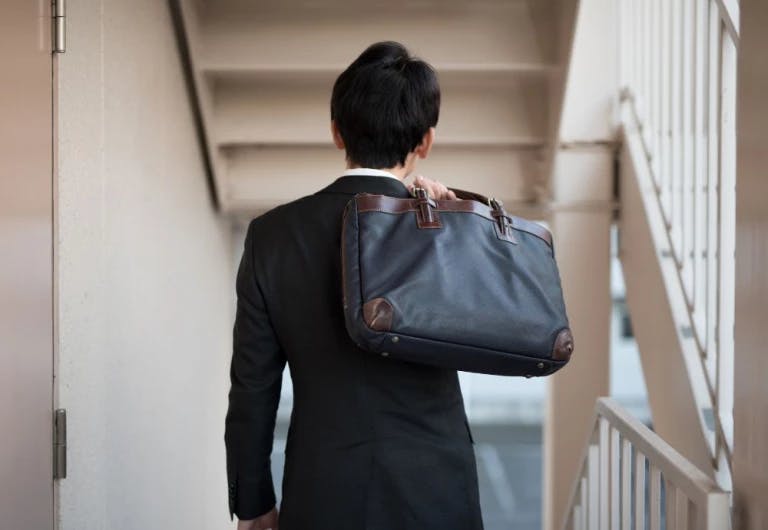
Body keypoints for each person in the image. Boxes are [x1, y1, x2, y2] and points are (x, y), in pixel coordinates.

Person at [225, 41, 482, 530]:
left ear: (337, 132)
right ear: (425, 141)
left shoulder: (272, 236)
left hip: (323, 491)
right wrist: (459, 224)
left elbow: (253, 386)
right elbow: (493, 328)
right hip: (437, 491)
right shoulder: (447, 232)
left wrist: (253, 504)